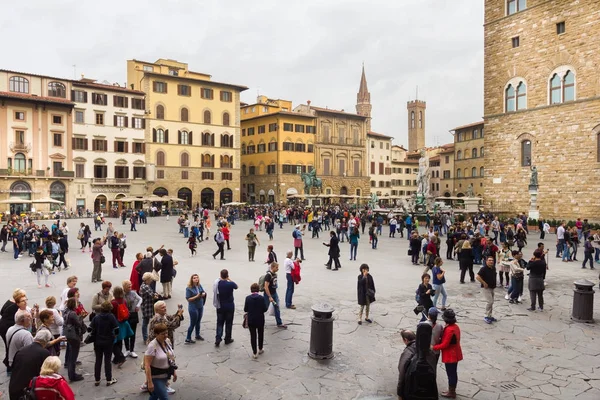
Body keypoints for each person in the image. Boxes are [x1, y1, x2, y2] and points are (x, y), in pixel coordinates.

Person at [8, 330, 52, 400]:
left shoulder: (21, 350)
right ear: (46, 341)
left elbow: (14, 368)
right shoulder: (44, 353)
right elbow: (47, 374)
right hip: (28, 392)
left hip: (14, 387)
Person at [433, 309, 463, 399]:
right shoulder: (455, 327)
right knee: (453, 372)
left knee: (451, 373)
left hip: (451, 355)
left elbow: (445, 344)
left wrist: (433, 347)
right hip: (456, 353)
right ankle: (451, 390)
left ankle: (451, 392)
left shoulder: (449, 329)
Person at [144, 323, 178, 400]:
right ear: (156, 334)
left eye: (166, 333)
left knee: (154, 396)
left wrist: (174, 372)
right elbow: (147, 365)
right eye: (163, 334)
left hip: (165, 375)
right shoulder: (152, 346)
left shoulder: (167, 341)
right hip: (156, 377)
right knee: (164, 398)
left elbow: (170, 357)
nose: (166, 335)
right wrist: (149, 382)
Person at [89, 300, 119, 386]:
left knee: (98, 360)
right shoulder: (111, 317)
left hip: (97, 341)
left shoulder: (97, 317)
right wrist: (115, 336)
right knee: (107, 360)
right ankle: (109, 379)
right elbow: (116, 329)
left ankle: (97, 379)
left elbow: (89, 329)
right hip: (108, 341)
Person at [1, 288, 26, 366]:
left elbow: (1, 312)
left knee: (8, 345)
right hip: (7, 327)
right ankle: (9, 363)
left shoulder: (9, 301)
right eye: (23, 296)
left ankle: (7, 361)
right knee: (10, 346)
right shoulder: (15, 306)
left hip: (2, 325)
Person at [110, 286, 135, 368]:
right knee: (119, 340)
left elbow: (111, 312)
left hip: (115, 323)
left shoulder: (113, 302)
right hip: (123, 322)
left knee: (113, 342)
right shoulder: (123, 301)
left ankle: (120, 357)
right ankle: (116, 358)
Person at [213, 269, 238, 346]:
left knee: (220, 322)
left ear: (220, 275)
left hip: (220, 305)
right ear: (227, 275)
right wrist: (229, 279)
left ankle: (218, 338)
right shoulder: (230, 284)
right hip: (229, 306)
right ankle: (227, 338)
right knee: (229, 323)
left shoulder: (218, 283)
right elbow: (236, 286)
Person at [63, 298, 85, 382]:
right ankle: (72, 375)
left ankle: (71, 373)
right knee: (73, 356)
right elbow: (78, 323)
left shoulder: (66, 311)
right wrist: (81, 317)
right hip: (74, 335)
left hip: (69, 334)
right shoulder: (73, 313)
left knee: (70, 355)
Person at [244, 283, 268, 359]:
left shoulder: (248, 298)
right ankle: (260, 348)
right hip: (260, 319)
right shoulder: (261, 298)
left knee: (253, 336)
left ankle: (254, 352)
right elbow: (265, 309)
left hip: (251, 320)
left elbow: (245, 309)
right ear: (258, 290)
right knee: (261, 334)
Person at [6, 309, 34, 374]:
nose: (30, 319)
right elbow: (31, 352)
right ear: (23, 321)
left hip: (11, 361)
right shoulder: (26, 334)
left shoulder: (10, 329)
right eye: (28, 317)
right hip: (21, 364)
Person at [263, 262, 287, 329]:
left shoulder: (275, 274)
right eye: (276, 267)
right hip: (268, 295)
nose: (278, 269)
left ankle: (279, 323)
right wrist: (269, 296)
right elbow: (266, 287)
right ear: (272, 267)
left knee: (277, 307)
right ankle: (259, 321)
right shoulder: (268, 275)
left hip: (274, 294)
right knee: (264, 308)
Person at [185, 274, 206, 344]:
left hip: (200, 306)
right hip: (193, 307)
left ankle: (197, 335)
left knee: (198, 321)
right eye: (194, 278)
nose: (196, 279)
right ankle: (188, 338)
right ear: (192, 279)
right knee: (193, 323)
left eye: (197, 278)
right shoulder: (189, 288)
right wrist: (197, 296)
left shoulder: (199, 285)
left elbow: (203, 292)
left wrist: (203, 294)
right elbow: (188, 299)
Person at [123, 280, 142, 358]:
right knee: (126, 332)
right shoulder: (122, 294)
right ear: (124, 287)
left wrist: (138, 306)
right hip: (125, 315)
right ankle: (127, 349)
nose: (130, 287)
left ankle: (132, 350)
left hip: (133, 314)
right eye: (128, 286)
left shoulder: (133, 293)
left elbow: (140, 299)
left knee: (133, 333)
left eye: (130, 286)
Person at [396, 329, 417, 398]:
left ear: (406, 340)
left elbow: (402, 372)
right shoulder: (427, 349)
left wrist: (400, 393)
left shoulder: (408, 353)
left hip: (411, 387)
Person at [476, 256, 498, 324]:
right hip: (486, 288)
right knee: (490, 302)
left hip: (492, 287)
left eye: (492, 260)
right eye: (489, 260)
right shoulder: (483, 269)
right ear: (486, 261)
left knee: (491, 302)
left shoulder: (493, 268)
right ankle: (486, 316)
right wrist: (483, 282)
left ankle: (490, 315)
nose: (491, 261)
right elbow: (477, 277)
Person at [140, 273, 160, 344]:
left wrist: (155, 294)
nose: (151, 281)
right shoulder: (145, 287)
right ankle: (145, 338)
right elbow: (152, 295)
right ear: (147, 279)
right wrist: (156, 296)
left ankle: (147, 337)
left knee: (146, 322)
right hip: (147, 306)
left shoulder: (144, 285)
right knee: (145, 323)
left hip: (147, 305)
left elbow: (152, 293)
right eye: (150, 279)